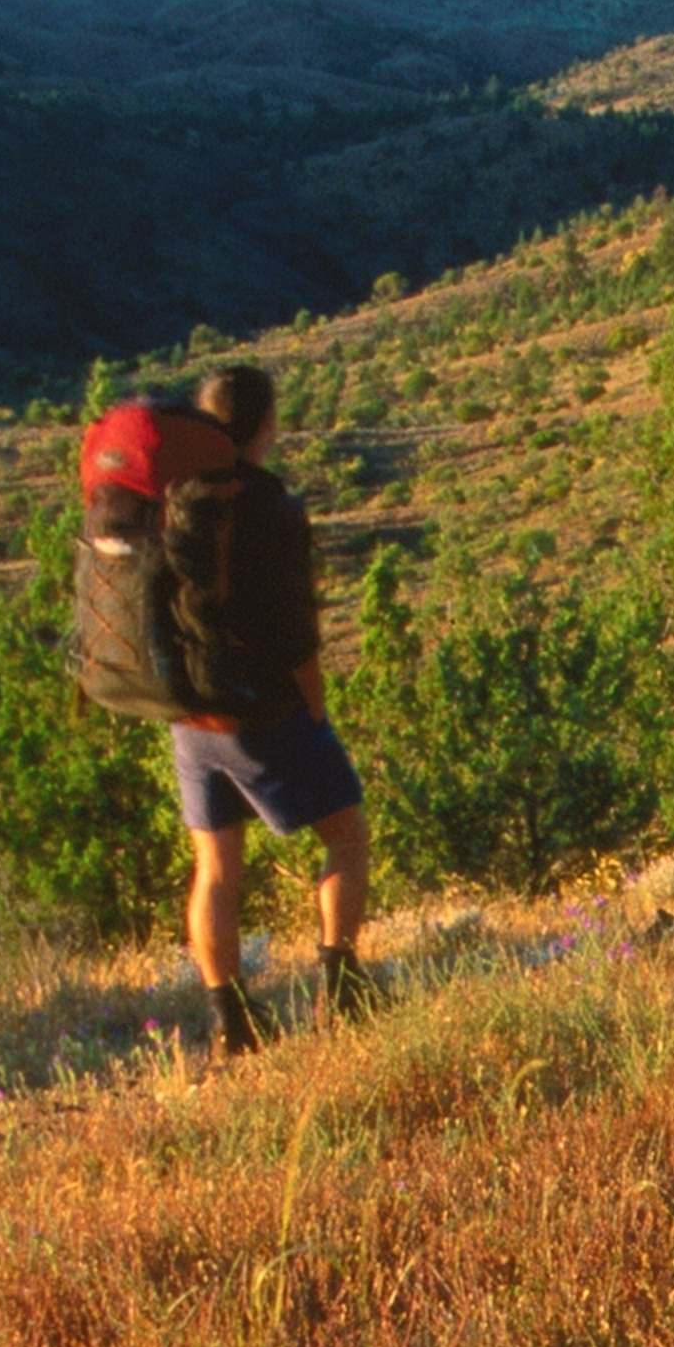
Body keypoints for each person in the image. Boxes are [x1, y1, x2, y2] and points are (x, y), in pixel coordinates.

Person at [170, 363, 376, 1056]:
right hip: (262, 714)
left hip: (190, 716)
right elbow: (295, 633)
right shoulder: (268, 508)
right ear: (266, 426)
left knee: (216, 866)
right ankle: (341, 983)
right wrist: (313, 710)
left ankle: (230, 1019)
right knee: (345, 835)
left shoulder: (174, 498)